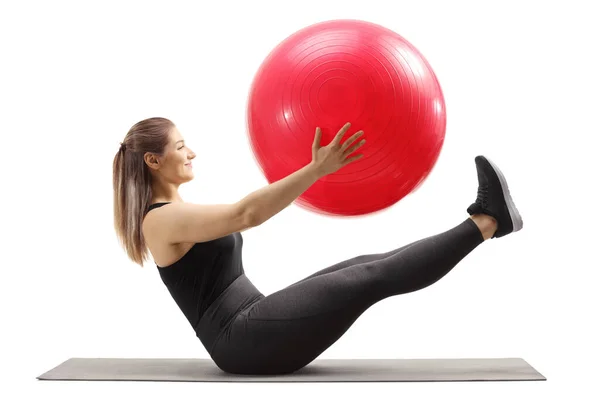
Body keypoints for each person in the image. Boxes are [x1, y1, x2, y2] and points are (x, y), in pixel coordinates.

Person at [113, 117, 523, 375]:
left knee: (366, 262)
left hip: (251, 325)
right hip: (241, 340)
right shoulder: (161, 218)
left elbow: (246, 212)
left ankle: (488, 220)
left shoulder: (174, 212)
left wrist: (314, 171)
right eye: (181, 146)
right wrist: (316, 169)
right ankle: (487, 221)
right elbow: (246, 214)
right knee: (369, 277)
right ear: (153, 161)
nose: (192, 152)